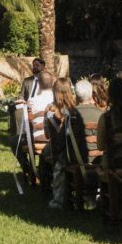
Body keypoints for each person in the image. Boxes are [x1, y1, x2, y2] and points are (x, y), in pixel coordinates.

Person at [45, 78, 87, 210]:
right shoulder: (76, 110)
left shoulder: (50, 110)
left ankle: (55, 197)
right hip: (78, 152)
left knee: (46, 155)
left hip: (61, 153)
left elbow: (47, 135)